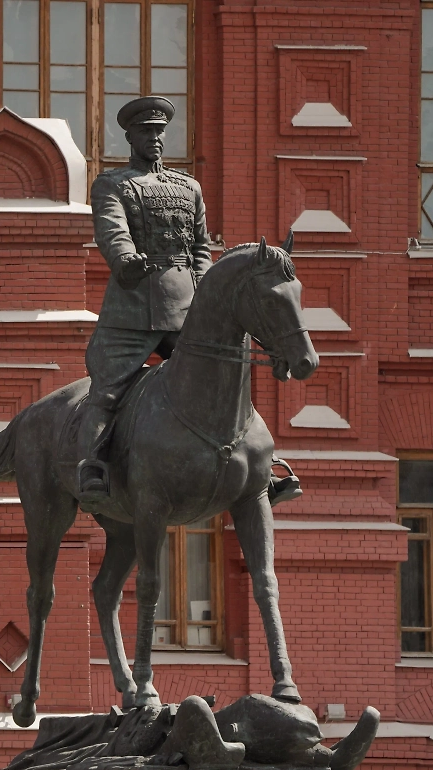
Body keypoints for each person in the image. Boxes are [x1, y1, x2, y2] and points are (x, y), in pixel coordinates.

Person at [76, 96, 300, 511]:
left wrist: (203, 293)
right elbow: (113, 232)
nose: (156, 139)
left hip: (185, 309)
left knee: (226, 381)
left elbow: (200, 247)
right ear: (131, 137)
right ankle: (92, 469)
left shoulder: (188, 188)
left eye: (160, 132)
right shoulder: (113, 184)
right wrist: (126, 261)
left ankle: (263, 472)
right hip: (131, 310)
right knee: (107, 390)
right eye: (147, 132)